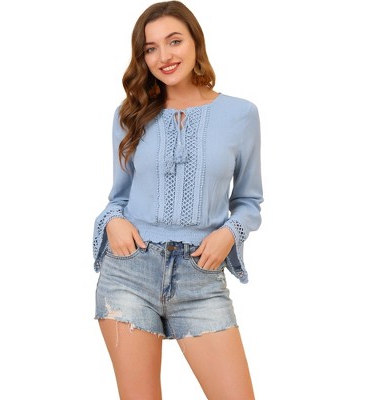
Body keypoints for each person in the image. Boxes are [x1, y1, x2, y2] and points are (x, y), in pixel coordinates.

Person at [92, 1, 263, 398]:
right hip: (129, 273)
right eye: (150, 48)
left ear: (195, 42)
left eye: (174, 41)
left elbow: (249, 200)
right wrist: (113, 221)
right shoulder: (129, 114)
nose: (164, 56)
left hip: (200, 278)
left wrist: (230, 233)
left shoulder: (240, 114)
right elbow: (117, 199)